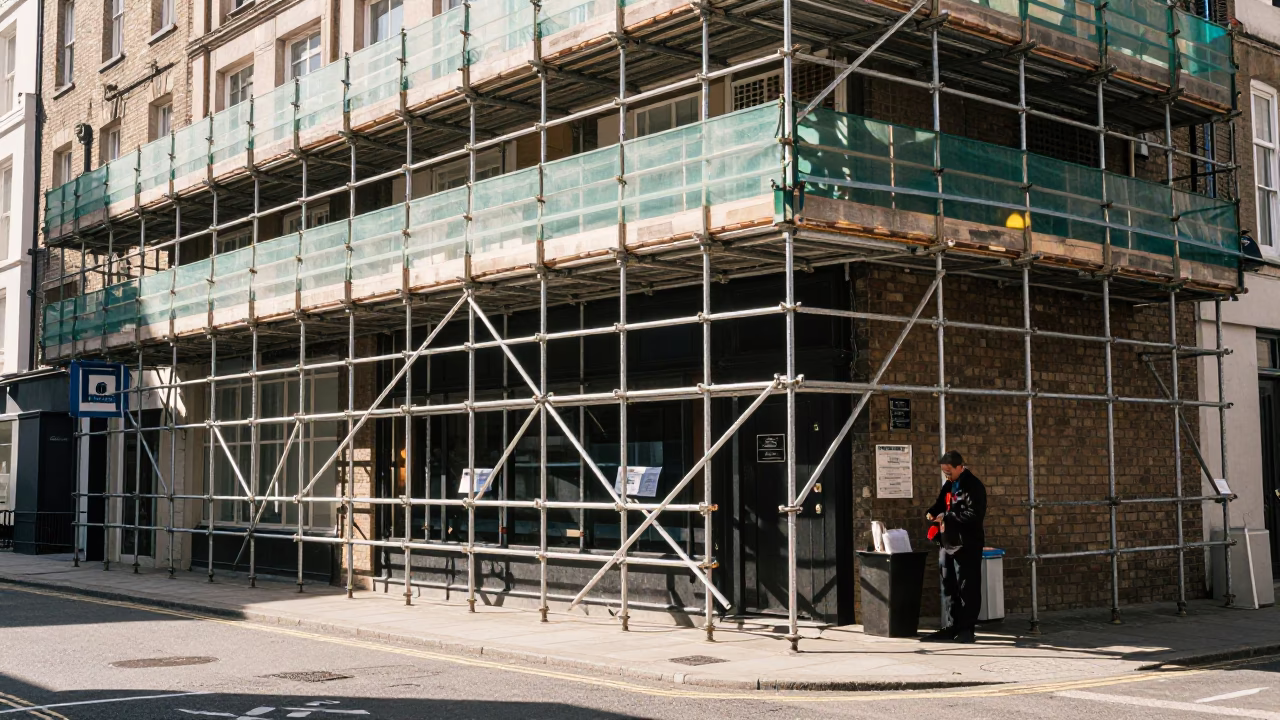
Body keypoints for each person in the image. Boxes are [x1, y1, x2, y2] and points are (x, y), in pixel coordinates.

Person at [921, 450, 987, 644]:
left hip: (966, 545)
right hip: (947, 543)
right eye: (944, 472)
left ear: (960, 466)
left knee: (967, 587)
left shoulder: (973, 485)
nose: (946, 475)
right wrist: (932, 513)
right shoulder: (949, 485)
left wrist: (947, 517)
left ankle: (967, 629)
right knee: (949, 585)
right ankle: (953, 626)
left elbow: (975, 515)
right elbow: (940, 504)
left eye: (949, 471)